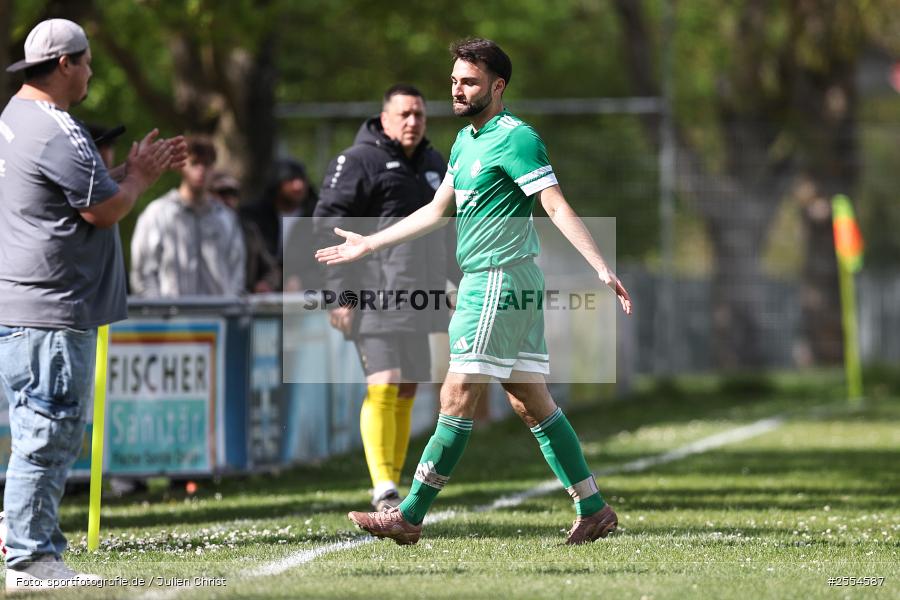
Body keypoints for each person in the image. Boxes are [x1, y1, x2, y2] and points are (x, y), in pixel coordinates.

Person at [316, 38, 632, 545]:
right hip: (501, 281)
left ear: (498, 85)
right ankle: (592, 506)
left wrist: (599, 265)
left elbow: (554, 205)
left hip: (499, 278)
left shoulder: (517, 138)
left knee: (456, 394)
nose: (457, 90)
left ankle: (408, 515)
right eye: (455, 81)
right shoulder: (464, 142)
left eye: (469, 82)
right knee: (532, 400)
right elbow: (437, 210)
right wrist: (367, 245)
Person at [0, 18, 186, 590]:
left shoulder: (13, 116)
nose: (90, 74)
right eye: (85, 63)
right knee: (49, 429)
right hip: (53, 309)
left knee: (35, 426)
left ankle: (20, 539)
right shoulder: (58, 128)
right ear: (65, 64)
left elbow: (80, 195)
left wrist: (124, 173)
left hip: (26, 306)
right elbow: (101, 210)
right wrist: (140, 180)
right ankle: (31, 557)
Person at [313, 84, 457, 511]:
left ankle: (393, 481)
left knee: (409, 386)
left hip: (420, 297)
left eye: (420, 115)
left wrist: (461, 280)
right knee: (386, 382)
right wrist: (340, 295)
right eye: (405, 114)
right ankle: (384, 488)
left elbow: (447, 232)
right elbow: (326, 228)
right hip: (371, 295)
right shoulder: (359, 161)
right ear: (384, 117)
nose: (413, 122)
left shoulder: (435, 164)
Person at [130, 136, 246, 297]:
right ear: (181, 167)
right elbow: (143, 272)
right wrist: (159, 312)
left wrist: (227, 307)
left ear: (214, 168)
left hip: (217, 315)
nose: (201, 171)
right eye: (195, 163)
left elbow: (237, 271)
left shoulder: (226, 218)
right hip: (172, 316)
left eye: (206, 164)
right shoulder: (158, 213)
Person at [242, 158, 319, 291]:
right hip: (261, 296)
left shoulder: (316, 217)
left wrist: (303, 281)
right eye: (291, 180)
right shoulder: (254, 218)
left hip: (305, 296)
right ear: (277, 184)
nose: (298, 186)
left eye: (302, 180)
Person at [209, 171, 281, 293]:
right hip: (204, 302)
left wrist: (266, 283)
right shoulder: (196, 227)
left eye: (233, 194)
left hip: (240, 303)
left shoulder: (248, 231)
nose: (228, 199)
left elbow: (272, 270)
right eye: (222, 193)